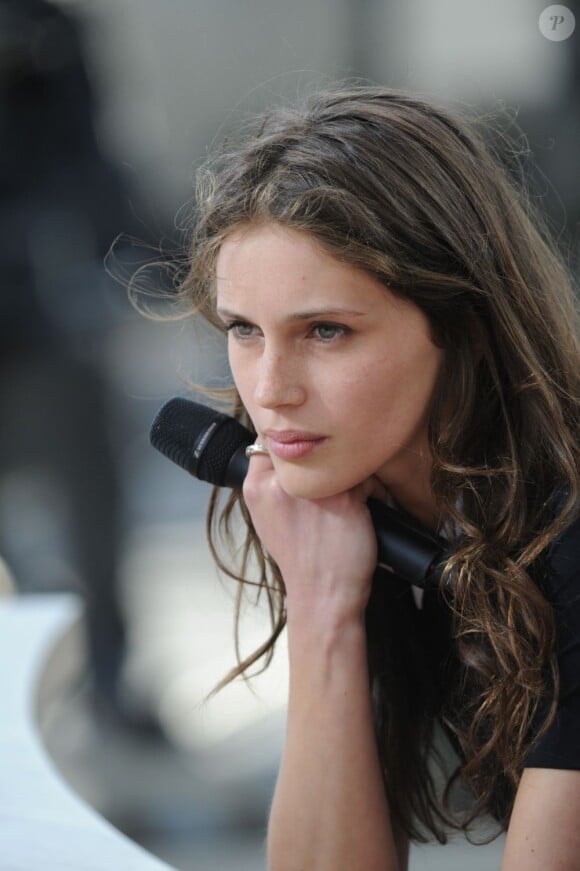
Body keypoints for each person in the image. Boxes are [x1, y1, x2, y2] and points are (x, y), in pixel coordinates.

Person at [171, 85, 580, 868]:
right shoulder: (390, 513)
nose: (270, 389)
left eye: (326, 330)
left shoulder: (566, 539)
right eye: (245, 331)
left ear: (462, 325)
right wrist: (324, 608)